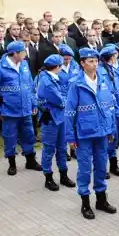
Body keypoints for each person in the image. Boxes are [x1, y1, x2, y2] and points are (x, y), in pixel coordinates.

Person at [65, 48, 117, 219]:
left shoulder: (103, 79)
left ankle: (101, 199)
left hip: (102, 132)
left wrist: (110, 129)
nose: (94, 65)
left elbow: (109, 106)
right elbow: (70, 112)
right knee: (85, 169)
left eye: (96, 61)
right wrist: (70, 137)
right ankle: (85, 202)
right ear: (82, 63)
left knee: (102, 166)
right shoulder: (76, 83)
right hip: (84, 133)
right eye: (90, 61)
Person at [0, 41, 42, 175]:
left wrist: (34, 103)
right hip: (9, 111)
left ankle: (30, 160)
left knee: (29, 135)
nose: (25, 54)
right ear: (15, 53)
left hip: (26, 109)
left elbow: (30, 86)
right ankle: (12, 163)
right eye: (23, 52)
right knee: (10, 137)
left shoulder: (24, 64)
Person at [36, 54, 77, 191]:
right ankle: (48, 177)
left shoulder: (52, 78)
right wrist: (70, 102)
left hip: (59, 118)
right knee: (49, 149)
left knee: (61, 147)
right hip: (51, 119)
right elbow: (60, 100)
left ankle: (63, 175)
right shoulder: (47, 82)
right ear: (57, 67)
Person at [99, 45, 119, 178]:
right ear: (111, 57)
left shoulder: (112, 69)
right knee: (105, 139)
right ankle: (101, 167)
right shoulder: (100, 71)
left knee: (114, 138)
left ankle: (113, 164)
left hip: (116, 110)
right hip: (106, 112)